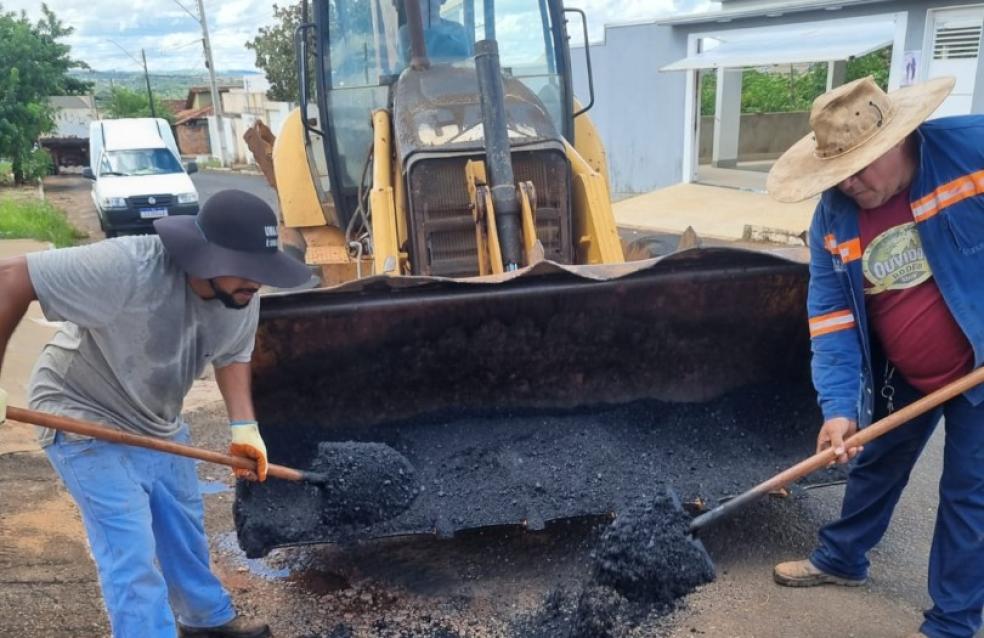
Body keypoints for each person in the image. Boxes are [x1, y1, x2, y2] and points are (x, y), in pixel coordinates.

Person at [0, 189, 311, 637]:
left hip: (155, 416)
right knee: (131, 549)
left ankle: (206, 623)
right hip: (81, 412)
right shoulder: (126, 267)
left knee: (182, 529)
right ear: (206, 257)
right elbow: (11, 276)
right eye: (248, 269)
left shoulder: (242, 293)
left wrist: (245, 426)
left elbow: (233, 355)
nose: (258, 282)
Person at [766, 75, 984, 638]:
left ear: (899, 139)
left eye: (861, 166)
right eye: (837, 172)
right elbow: (832, 317)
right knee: (875, 458)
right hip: (903, 371)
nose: (850, 184)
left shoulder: (971, 150)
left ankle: (953, 622)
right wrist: (838, 407)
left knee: (969, 493)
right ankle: (843, 559)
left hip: (979, 365)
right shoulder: (833, 218)